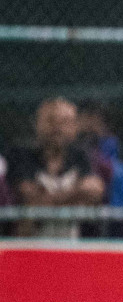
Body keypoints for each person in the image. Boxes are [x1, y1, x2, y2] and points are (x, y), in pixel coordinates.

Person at [9, 98, 106, 239]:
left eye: (65, 122)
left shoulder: (81, 156)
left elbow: (94, 190)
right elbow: (28, 198)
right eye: (51, 121)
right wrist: (76, 194)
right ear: (37, 124)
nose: (58, 128)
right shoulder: (21, 155)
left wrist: (45, 202)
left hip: (75, 242)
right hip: (29, 242)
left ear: (75, 127)